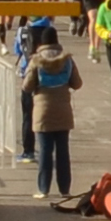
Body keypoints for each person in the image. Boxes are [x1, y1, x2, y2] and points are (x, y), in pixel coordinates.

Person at [20, 30, 82, 200]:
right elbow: (77, 83)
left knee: (45, 152)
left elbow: (27, 87)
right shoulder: (67, 59)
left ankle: (43, 189)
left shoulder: (36, 61)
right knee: (63, 152)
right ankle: (65, 189)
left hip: (42, 112)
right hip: (63, 111)